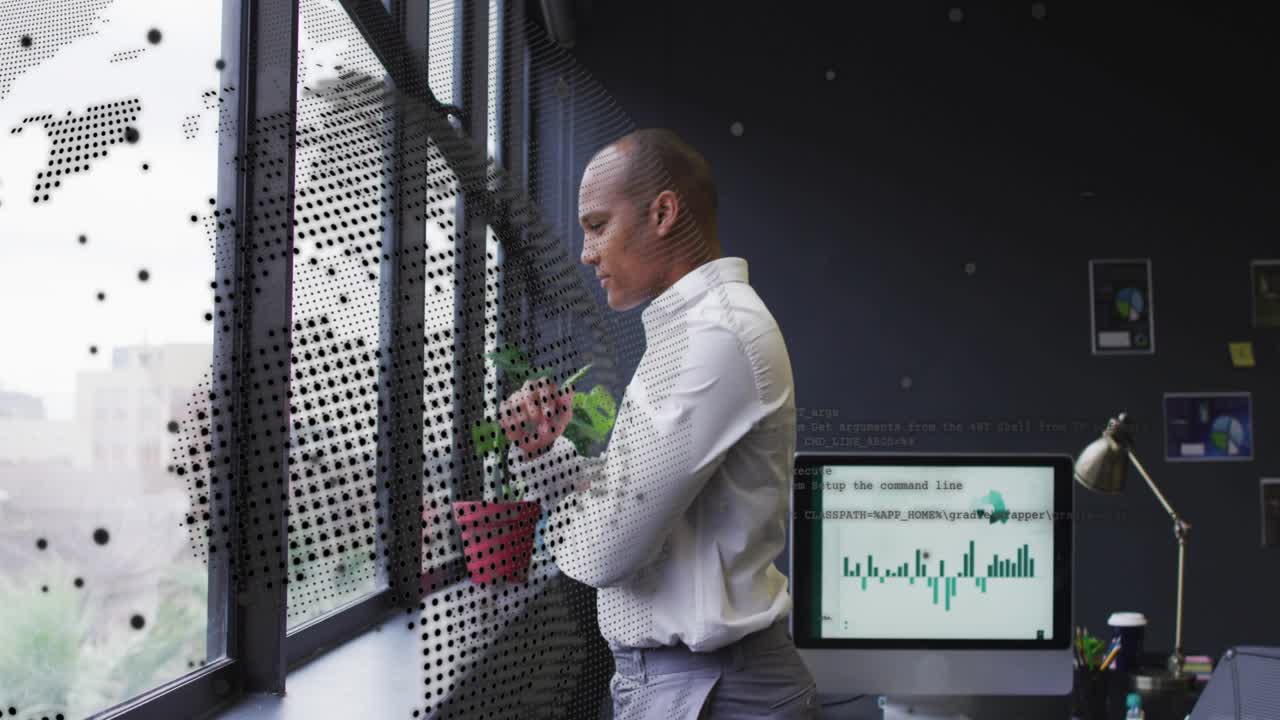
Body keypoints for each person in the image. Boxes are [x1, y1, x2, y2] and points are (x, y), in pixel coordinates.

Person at [499, 128, 817, 719]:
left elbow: (602, 552)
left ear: (664, 212)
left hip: (712, 692)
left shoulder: (713, 336)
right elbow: (632, 505)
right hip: (692, 686)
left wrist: (593, 513)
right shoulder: (691, 330)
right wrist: (548, 457)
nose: (586, 252)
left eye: (597, 225)